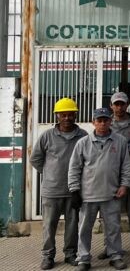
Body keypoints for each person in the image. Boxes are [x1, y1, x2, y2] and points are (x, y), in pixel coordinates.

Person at [68, 108, 130, 271]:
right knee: (84, 228)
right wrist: (74, 190)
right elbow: (74, 167)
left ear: (111, 121)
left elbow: (126, 166)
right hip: (88, 194)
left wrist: (125, 185)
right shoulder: (82, 143)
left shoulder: (120, 141)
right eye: (99, 120)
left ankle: (115, 256)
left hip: (112, 193)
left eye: (105, 120)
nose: (102, 123)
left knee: (113, 227)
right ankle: (83, 258)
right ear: (93, 122)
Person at [30, 98, 88, 270]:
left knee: (72, 225)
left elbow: (89, 160)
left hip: (74, 190)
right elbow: (35, 159)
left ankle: (70, 254)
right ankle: (48, 256)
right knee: (49, 225)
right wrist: (49, 173)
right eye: (64, 115)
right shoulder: (47, 136)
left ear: (75, 115)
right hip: (51, 190)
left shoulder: (83, 136)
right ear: (57, 116)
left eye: (71, 114)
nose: (67, 118)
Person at [106, 92, 130, 253]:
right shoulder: (107, 123)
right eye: (116, 104)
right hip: (112, 173)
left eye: (122, 104)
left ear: (128, 104)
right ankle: (110, 247)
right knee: (110, 211)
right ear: (111, 105)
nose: (119, 107)